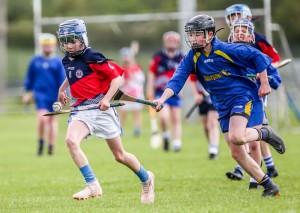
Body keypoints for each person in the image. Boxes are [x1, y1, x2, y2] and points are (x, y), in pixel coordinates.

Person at [154, 14, 285, 197]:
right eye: (190, 35)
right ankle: (270, 186)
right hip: (222, 104)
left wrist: (264, 82)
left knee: (237, 137)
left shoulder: (227, 49)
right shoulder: (192, 57)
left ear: (209, 34)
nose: (192, 38)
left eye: (197, 34)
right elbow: (177, 80)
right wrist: (162, 99)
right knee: (236, 153)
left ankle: (266, 133)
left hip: (242, 96)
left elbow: (259, 56)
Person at [56, 19, 154, 203]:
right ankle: (92, 185)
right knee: (71, 140)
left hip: (102, 110)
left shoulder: (93, 56)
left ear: (82, 39)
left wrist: (106, 99)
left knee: (120, 156)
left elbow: (115, 79)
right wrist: (62, 89)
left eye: (72, 40)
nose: (68, 45)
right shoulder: (66, 59)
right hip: (81, 110)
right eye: (65, 41)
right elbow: (72, 75)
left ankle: (147, 179)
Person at [224, 4, 281, 183]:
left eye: (239, 17)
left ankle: (252, 175)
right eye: (233, 18)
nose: (236, 22)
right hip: (236, 98)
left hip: (255, 96)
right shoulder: (226, 45)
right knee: (242, 137)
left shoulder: (258, 42)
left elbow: (273, 67)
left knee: (253, 137)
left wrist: (264, 76)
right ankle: (265, 167)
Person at [22, 33, 66, 156]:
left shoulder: (57, 62)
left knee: (52, 122)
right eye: (45, 45)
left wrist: (63, 95)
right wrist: (27, 92)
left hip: (54, 95)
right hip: (40, 94)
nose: (47, 47)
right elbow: (29, 78)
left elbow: (62, 80)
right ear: (41, 46)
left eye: (49, 45)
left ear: (53, 46)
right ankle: (41, 142)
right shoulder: (35, 60)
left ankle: (51, 147)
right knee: (42, 119)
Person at [147, 31, 184, 152]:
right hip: (161, 93)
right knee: (163, 117)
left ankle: (177, 143)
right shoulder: (158, 56)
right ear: (165, 42)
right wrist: (149, 90)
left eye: (173, 41)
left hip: (175, 93)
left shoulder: (181, 57)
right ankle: (166, 135)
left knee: (176, 118)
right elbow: (151, 74)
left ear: (177, 43)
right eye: (169, 41)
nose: (171, 43)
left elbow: (184, 75)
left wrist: (182, 89)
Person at [189, 74, 220, 159]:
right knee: (205, 126)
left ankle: (214, 148)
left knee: (212, 123)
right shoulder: (197, 64)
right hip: (202, 100)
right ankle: (211, 145)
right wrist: (196, 94)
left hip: (214, 97)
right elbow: (192, 80)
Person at [119, 47, 145, 137]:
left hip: (136, 94)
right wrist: (125, 81)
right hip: (125, 94)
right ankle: (120, 129)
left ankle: (137, 129)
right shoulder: (121, 69)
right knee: (123, 112)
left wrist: (132, 73)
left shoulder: (137, 68)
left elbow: (141, 80)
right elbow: (120, 83)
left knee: (136, 112)